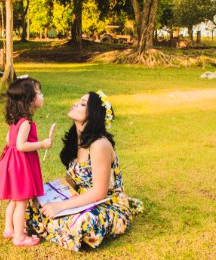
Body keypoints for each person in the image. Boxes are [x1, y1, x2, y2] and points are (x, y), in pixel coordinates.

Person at [26, 90, 144, 252]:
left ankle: (54, 224)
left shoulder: (99, 145)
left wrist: (61, 206)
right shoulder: (76, 139)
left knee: (85, 222)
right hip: (80, 197)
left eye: (82, 104)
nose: (75, 104)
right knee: (30, 196)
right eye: (78, 101)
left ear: (94, 114)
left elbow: (99, 193)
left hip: (107, 204)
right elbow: (72, 180)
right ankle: (54, 222)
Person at [0, 77, 55, 247]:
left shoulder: (15, 119)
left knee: (14, 199)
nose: (42, 96)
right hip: (20, 164)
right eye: (39, 93)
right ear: (30, 100)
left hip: (11, 162)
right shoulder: (26, 122)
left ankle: (9, 229)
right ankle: (19, 236)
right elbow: (21, 145)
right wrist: (42, 144)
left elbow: (8, 140)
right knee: (22, 201)